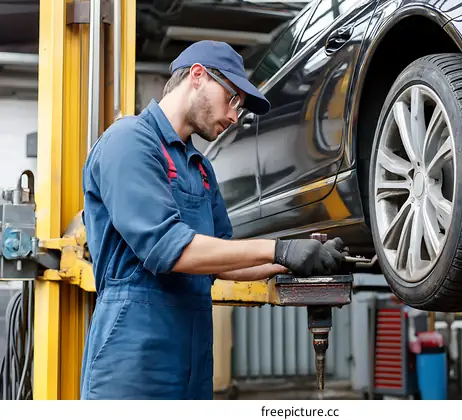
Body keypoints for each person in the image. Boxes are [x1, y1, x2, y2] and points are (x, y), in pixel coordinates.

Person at [79, 40, 346, 400]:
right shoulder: (128, 142)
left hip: (192, 358)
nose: (236, 116)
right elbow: (170, 250)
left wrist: (300, 260)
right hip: (133, 356)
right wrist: (279, 250)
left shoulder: (201, 169)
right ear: (198, 76)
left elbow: (224, 262)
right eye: (233, 98)